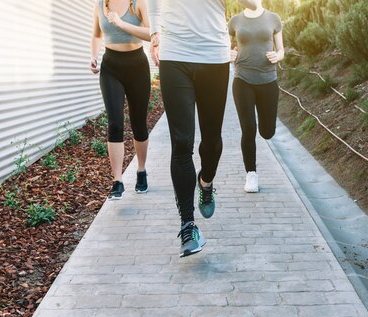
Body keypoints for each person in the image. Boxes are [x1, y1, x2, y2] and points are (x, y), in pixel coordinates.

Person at [147, 0, 258, 257]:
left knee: (211, 141)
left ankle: (205, 181)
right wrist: (155, 32)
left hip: (213, 57)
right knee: (182, 142)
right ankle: (188, 225)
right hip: (174, 54)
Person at [90, 0, 152, 200]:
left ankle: (141, 170)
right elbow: (97, 34)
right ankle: (117, 180)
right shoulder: (100, 5)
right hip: (111, 67)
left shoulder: (138, 3)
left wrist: (121, 23)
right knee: (115, 123)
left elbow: (151, 34)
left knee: (138, 123)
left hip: (137, 66)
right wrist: (93, 56)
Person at [229, 0, 284, 193]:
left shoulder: (273, 18)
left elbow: (281, 50)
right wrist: (230, 53)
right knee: (248, 128)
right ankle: (251, 174)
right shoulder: (235, 21)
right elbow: (226, 47)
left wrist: (278, 56)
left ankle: (266, 128)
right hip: (242, 79)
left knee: (266, 132)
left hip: (268, 80)